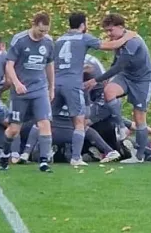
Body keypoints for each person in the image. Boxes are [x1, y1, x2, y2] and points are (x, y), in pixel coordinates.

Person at [52, 12, 136, 167]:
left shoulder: (59, 40)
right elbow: (109, 45)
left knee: (46, 119)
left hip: (56, 83)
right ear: (83, 24)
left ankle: (43, 156)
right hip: (73, 84)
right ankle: (76, 158)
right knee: (79, 121)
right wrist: (127, 37)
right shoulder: (84, 37)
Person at [84, 13, 151, 164]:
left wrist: (96, 80)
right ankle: (121, 127)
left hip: (143, 80)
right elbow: (116, 62)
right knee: (109, 91)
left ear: (121, 27)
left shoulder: (133, 42)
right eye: (107, 31)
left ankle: (140, 156)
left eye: (111, 30)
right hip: (126, 76)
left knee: (139, 117)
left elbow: (119, 66)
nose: (109, 34)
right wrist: (107, 80)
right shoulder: (118, 41)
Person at [2, 12, 55, 172]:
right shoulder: (20, 40)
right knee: (14, 129)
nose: (43, 34)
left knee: (44, 123)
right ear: (33, 25)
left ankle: (44, 161)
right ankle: (5, 153)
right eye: (40, 31)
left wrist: (51, 87)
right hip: (21, 91)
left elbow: (49, 65)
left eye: (46, 31)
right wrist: (16, 83)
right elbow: (9, 65)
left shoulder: (48, 42)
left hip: (39, 89)